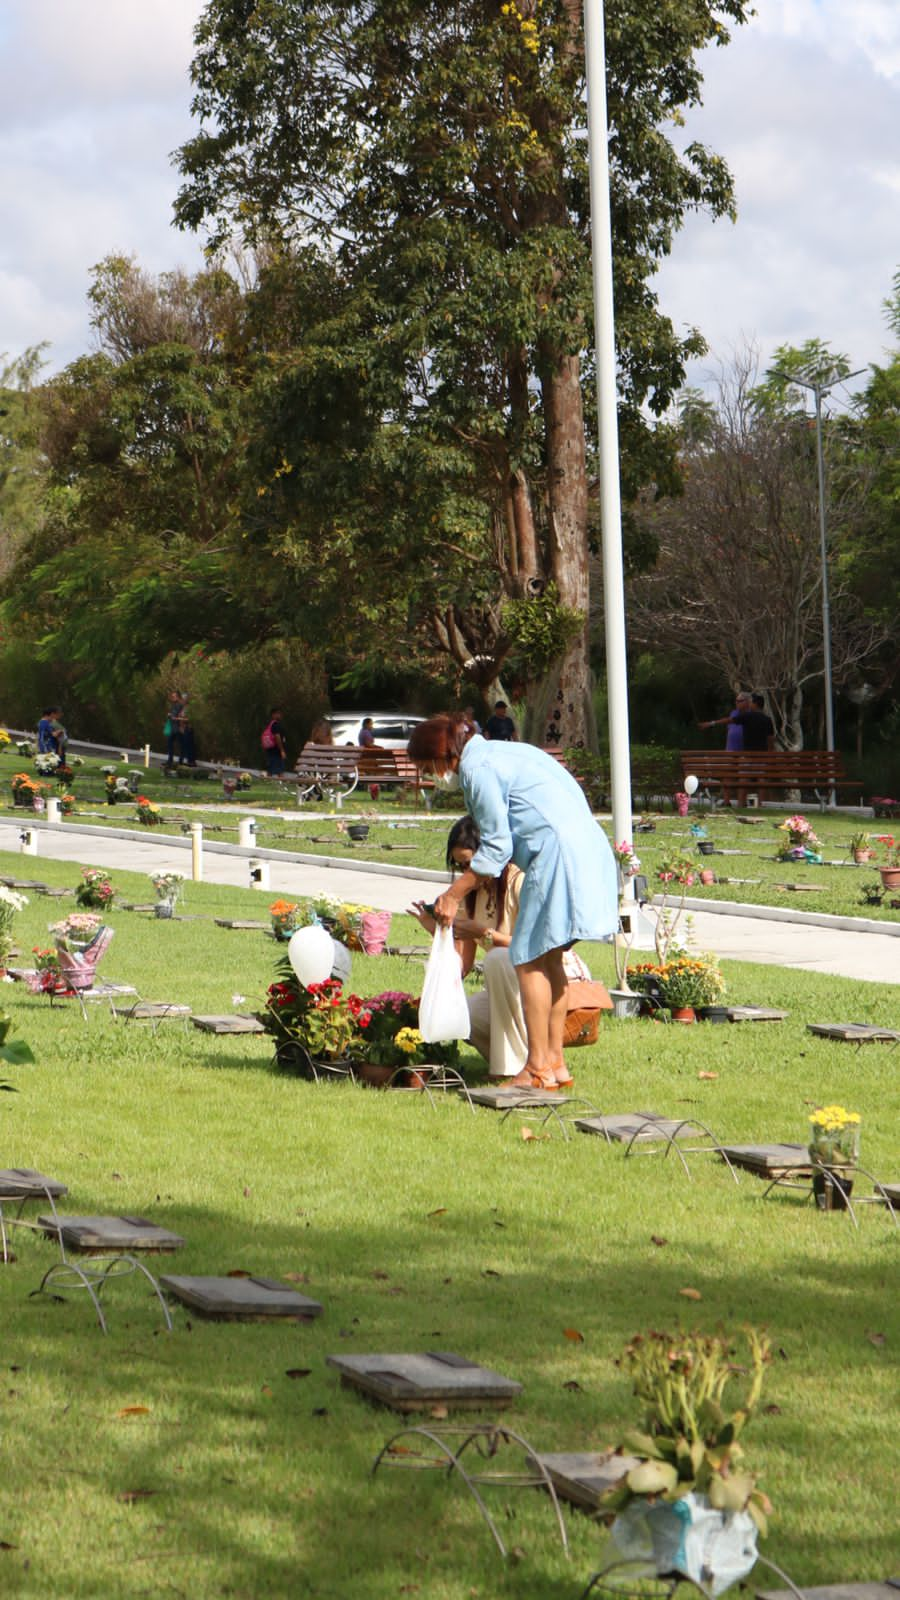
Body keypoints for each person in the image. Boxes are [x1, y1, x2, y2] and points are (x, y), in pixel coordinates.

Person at [407, 713, 618, 1091]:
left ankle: (536, 1067)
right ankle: (555, 1064)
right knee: (549, 957)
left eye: (427, 767)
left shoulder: (477, 769)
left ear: (443, 757)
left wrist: (454, 893)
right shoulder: (506, 752)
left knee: (527, 957)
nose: (431, 776)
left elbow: (497, 846)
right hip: (585, 849)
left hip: (554, 855)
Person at [261, 707, 287, 775]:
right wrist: (282, 750)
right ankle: (281, 781)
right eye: (278, 713)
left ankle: (269, 781)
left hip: (271, 750)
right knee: (280, 770)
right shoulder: (276, 725)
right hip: (276, 751)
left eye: (280, 713)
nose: (280, 715)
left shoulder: (270, 724)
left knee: (271, 769)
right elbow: (277, 737)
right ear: (273, 715)